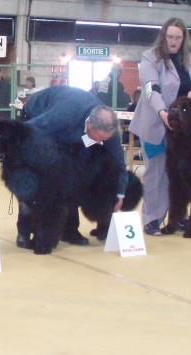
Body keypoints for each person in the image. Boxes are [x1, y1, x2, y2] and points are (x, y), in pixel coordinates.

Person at [17, 85, 130, 248]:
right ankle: (25, 231)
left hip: (71, 131)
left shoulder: (108, 130)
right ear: (89, 124)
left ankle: (69, 230)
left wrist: (120, 193)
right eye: (97, 138)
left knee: (71, 179)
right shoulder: (62, 116)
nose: (100, 143)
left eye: (103, 140)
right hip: (37, 115)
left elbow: (119, 163)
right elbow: (26, 130)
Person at [132, 17, 191, 236]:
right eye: (170, 37)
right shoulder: (150, 57)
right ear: (163, 36)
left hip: (184, 132)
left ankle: (179, 216)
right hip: (156, 124)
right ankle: (152, 219)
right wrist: (162, 112)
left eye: (178, 37)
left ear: (184, 38)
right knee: (155, 173)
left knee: (182, 174)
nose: (173, 41)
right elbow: (150, 89)